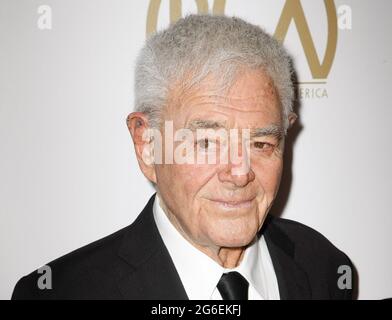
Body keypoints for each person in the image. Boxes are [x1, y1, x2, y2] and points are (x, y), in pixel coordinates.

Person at [12, 14, 354, 300]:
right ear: (147, 145)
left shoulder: (323, 267)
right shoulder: (62, 293)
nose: (239, 172)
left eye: (261, 144)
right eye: (207, 142)